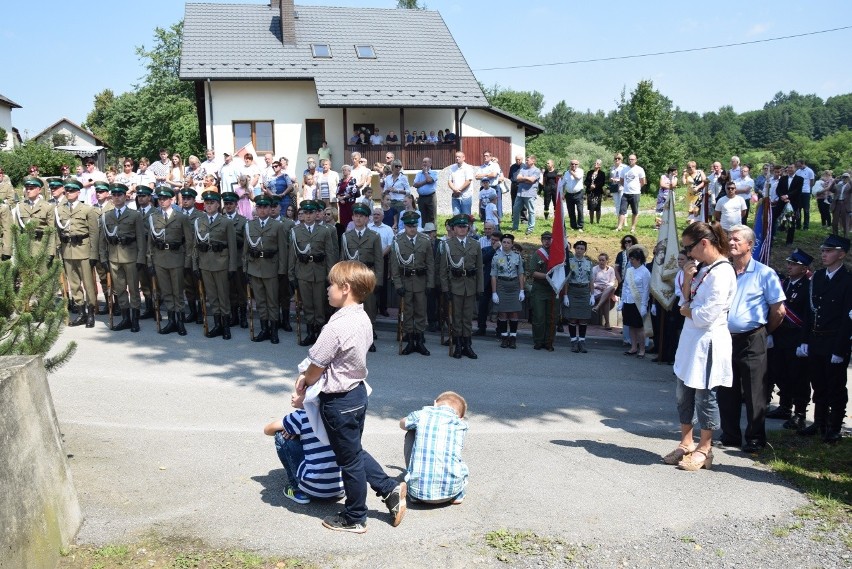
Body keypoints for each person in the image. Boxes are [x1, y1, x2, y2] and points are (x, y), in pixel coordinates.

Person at [295, 261, 406, 533]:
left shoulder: (336, 326)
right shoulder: (362, 316)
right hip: (356, 393)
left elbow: (316, 365)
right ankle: (388, 488)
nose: (327, 289)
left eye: (331, 285)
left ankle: (355, 516)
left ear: (345, 289)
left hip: (339, 400)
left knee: (349, 461)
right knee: (352, 451)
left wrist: (303, 382)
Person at [666, 222, 736, 471]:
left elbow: (706, 314)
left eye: (689, 247)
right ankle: (686, 442)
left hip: (708, 341)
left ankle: (705, 448)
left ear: (704, 243)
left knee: (705, 395)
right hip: (690, 339)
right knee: (683, 392)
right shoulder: (703, 268)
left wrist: (687, 310)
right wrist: (686, 278)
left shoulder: (723, 271)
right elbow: (686, 299)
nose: (687, 253)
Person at [719, 224, 786, 453]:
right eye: (729, 239)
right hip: (725, 337)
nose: (731, 243)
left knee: (754, 391)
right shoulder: (723, 271)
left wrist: (764, 332)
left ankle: (755, 438)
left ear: (750, 245)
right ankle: (730, 435)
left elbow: (778, 311)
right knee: (726, 388)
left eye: (737, 240)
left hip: (752, 338)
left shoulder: (764, 273)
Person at [797, 235, 852, 443]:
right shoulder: (818, 277)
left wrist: (840, 349)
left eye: (829, 251)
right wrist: (804, 339)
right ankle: (819, 421)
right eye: (823, 250)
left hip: (835, 341)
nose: (824, 254)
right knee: (818, 383)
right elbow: (808, 312)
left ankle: (834, 426)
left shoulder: (848, 280)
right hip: (816, 339)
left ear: (841, 254)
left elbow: (848, 318)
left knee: (835, 385)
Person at [264, 390, 344, 505]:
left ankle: (296, 488)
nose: (292, 394)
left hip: (313, 491)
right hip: (339, 490)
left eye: (298, 392)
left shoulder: (301, 416)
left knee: (280, 435)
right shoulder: (337, 413)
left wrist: (291, 429)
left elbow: (267, 430)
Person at [765, 249, 813, 431]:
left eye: (794, 264)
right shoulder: (784, 284)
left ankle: (799, 413)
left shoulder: (808, 286)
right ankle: (785, 406)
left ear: (804, 268)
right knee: (780, 371)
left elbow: (807, 315)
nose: (789, 266)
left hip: (796, 336)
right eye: (789, 263)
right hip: (781, 334)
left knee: (798, 376)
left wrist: (804, 341)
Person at [399, 391, 469, 505]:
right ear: (461, 417)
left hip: (418, 493)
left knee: (411, 431)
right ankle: (458, 495)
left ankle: (414, 492)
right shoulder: (461, 424)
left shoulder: (422, 414)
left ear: (435, 403)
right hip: (451, 491)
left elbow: (402, 424)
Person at [288, 200, 339, 345]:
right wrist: (291, 275)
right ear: (302, 215)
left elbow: (330, 254)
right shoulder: (296, 231)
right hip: (303, 273)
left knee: (320, 304)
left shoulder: (324, 231)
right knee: (308, 305)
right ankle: (310, 332)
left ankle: (321, 335)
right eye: (305, 213)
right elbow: (292, 255)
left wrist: (331, 276)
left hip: (320, 272)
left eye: (311, 213)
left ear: (316, 214)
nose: (308, 216)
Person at [98, 183, 146, 332]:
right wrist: (104, 258)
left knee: (133, 289)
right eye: (114, 195)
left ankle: (135, 319)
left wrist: (140, 258)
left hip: (131, 257)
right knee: (119, 290)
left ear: (125, 196)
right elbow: (102, 239)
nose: (117, 197)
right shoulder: (106, 216)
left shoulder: (135, 215)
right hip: (113, 257)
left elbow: (141, 238)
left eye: (120, 195)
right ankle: (125, 318)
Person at [193, 191, 239, 340]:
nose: (209, 205)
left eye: (212, 203)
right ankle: (217, 324)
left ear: (218, 205)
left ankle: (226, 326)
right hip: (205, 264)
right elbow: (195, 245)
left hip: (221, 264)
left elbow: (232, 246)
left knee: (223, 296)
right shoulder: (199, 221)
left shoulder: (226, 222)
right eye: (206, 203)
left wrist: (232, 267)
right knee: (212, 297)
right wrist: (195, 265)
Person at [146, 187, 192, 336]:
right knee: (166, 292)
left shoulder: (181, 217)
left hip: (177, 258)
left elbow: (189, 243)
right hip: (160, 259)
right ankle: (171, 320)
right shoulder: (153, 217)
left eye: (165, 198)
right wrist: (150, 262)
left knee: (178, 292)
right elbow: (150, 243)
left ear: (171, 200)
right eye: (160, 199)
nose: (162, 201)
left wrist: (187, 263)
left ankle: (180, 321)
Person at [55, 179, 99, 328]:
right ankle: (81, 313)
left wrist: (94, 254)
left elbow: (94, 234)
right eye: (67, 191)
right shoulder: (60, 210)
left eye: (72, 191)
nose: (69, 193)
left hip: (83, 250)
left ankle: (91, 312)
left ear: (78, 192)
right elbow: (58, 232)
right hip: (67, 250)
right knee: (74, 285)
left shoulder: (87, 209)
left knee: (88, 284)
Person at [391, 211, 435, 356]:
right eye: (409, 226)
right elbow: (394, 266)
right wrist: (398, 285)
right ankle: (410, 340)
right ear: (405, 226)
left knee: (421, 311)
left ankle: (420, 341)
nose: (412, 229)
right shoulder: (397, 241)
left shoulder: (425, 240)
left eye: (414, 226)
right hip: (405, 281)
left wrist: (430, 284)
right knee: (407, 312)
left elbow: (430, 263)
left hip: (421, 282)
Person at [340, 203, 383, 351]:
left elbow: (379, 260)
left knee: (369, 309)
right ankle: (352, 339)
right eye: (356, 216)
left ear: (367, 219)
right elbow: (343, 259)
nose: (358, 219)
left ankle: (369, 339)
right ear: (352, 217)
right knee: (351, 309)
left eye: (362, 216)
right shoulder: (346, 237)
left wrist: (378, 281)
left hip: (367, 276)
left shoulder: (374, 236)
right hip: (351, 278)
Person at [440, 214, 484, 359]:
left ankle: (467, 344)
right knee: (456, 317)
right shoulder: (447, 245)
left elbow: (479, 269)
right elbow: (443, 270)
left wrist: (480, 288)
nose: (462, 229)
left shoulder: (475, 244)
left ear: (468, 228)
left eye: (465, 226)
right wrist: (446, 289)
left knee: (468, 317)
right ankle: (458, 344)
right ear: (454, 228)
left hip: (470, 286)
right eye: (459, 226)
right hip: (455, 286)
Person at [491, 233, 525, 349]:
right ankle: (504, 337)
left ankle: (513, 337)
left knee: (514, 312)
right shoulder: (496, 256)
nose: (506, 244)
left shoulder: (517, 256)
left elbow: (521, 273)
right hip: (502, 285)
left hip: (514, 285)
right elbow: (494, 275)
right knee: (503, 313)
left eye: (508, 242)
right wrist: (494, 292)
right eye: (504, 242)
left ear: (512, 244)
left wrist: (522, 290)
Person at [561, 241, 594, 352]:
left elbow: (591, 280)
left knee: (583, 319)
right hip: (573, 291)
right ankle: (573, 341)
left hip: (584, 291)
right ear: (574, 249)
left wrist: (592, 295)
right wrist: (565, 295)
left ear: (585, 250)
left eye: (582, 248)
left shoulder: (588, 263)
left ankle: (582, 341)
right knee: (573, 318)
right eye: (578, 248)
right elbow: (566, 280)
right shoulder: (569, 262)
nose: (579, 250)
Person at [528, 232, 556, 351]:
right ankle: (538, 341)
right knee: (539, 317)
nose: (547, 241)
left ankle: (549, 342)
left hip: (553, 289)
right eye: (544, 239)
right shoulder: (537, 254)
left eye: (549, 239)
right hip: (539, 288)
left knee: (551, 317)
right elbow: (532, 272)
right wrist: (546, 276)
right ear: (541, 240)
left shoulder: (557, 254)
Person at [621, 245, 650, 358]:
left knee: (639, 327)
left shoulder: (645, 272)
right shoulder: (629, 270)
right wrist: (622, 300)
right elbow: (625, 286)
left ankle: (642, 349)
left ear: (638, 259)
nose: (630, 261)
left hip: (638, 303)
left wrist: (644, 305)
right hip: (628, 301)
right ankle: (633, 347)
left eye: (632, 259)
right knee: (631, 326)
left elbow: (646, 289)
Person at [512, 155, 541, 235]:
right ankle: (515, 227)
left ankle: (530, 228)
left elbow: (532, 180)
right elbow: (517, 178)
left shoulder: (537, 170)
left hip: (530, 194)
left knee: (531, 211)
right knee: (515, 210)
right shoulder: (523, 168)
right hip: (520, 193)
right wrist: (526, 179)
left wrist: (523, 179)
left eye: (528, 160)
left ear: (533, 161)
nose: (526, 161)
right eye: (526, 160)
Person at [617, 154, 646, 233]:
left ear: (636, 160)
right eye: (629, 159)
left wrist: (637, 187)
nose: (631, 160)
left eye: (632, 159)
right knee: (622, 211)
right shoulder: (624, 169)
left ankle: (633, 227)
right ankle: (619, 226)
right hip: (625, 193)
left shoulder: (639, 169)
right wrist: (626, 187)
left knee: (635, 211)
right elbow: (621, 180)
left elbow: (643, 181)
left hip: (635, 193)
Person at [592, 252, 617, 330]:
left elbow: (612, 282)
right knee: (607, 299)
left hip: (607, 289)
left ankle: (598, 306)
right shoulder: (594, 269)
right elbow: (591, 283)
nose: (601, 262)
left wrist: (606, 287)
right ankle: (607, 323)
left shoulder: (611, 270)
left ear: (607, 261)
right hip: (597, 291)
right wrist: (599, 287)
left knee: (612, 288)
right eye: (599, 260)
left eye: (603, 260)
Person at [558, 159, 585, 231]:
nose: (574, 165)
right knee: (571, 211)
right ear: (570, 165)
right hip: (569, 194)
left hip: (578, 193)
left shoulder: (580, 171)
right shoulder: (566, 173)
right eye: (572, 164)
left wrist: (571, 172)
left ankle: (580, 226)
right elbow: (563, 184)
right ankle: (573, 226)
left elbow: (578, 178)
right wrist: (562, 193)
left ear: (578, 165)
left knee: (580, 210)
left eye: (575, 164)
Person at [412, 157, 438, 226]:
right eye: (423, 162)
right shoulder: (419, 174)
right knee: (422, 216)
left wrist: (426, 173)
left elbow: (430, 180)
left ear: (430, 164)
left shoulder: (434, 173)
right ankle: (424, 233)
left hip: (431, 197)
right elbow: (415, 184)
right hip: (421, 198)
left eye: (426, 162)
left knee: (431, 216)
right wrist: (426, 181)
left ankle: (433, 233)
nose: (424, 164)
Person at [448, 151, 474, 216]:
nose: (457, 158)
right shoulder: (452, 168)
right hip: (455, 195)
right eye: (456, 157)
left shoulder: (468, 168)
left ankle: (468, 226)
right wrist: (454, 190)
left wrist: (459, 190)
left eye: (459, 157)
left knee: (466, 215)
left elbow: (468, 181)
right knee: (456, 215)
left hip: (465, 195)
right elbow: (449, 181)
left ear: (463, 158)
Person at [585, 159, 606, 225]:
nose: (595, 164)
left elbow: (602, 183)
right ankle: (591, 221)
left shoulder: (602, 173)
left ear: (600, 165)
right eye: (595, 163)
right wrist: (590, 185)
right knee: (591, 207)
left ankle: (597, 221)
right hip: (590, 191)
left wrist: (595, 185)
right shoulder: (589, 172)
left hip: (598, 192)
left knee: (597, 207)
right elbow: (585, 181)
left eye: (597, 163)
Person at [830, 172, 850, 238]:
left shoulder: (850, 185)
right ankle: (835, 237)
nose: (845, 178)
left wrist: (850, 180)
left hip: (845, 205)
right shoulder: (839, 185)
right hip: (837, 204)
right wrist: (833, 182)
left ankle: (845, 237)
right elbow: (831, 190)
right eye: (843, 177)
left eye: (846, 177)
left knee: (845, 222)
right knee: (834, 222)